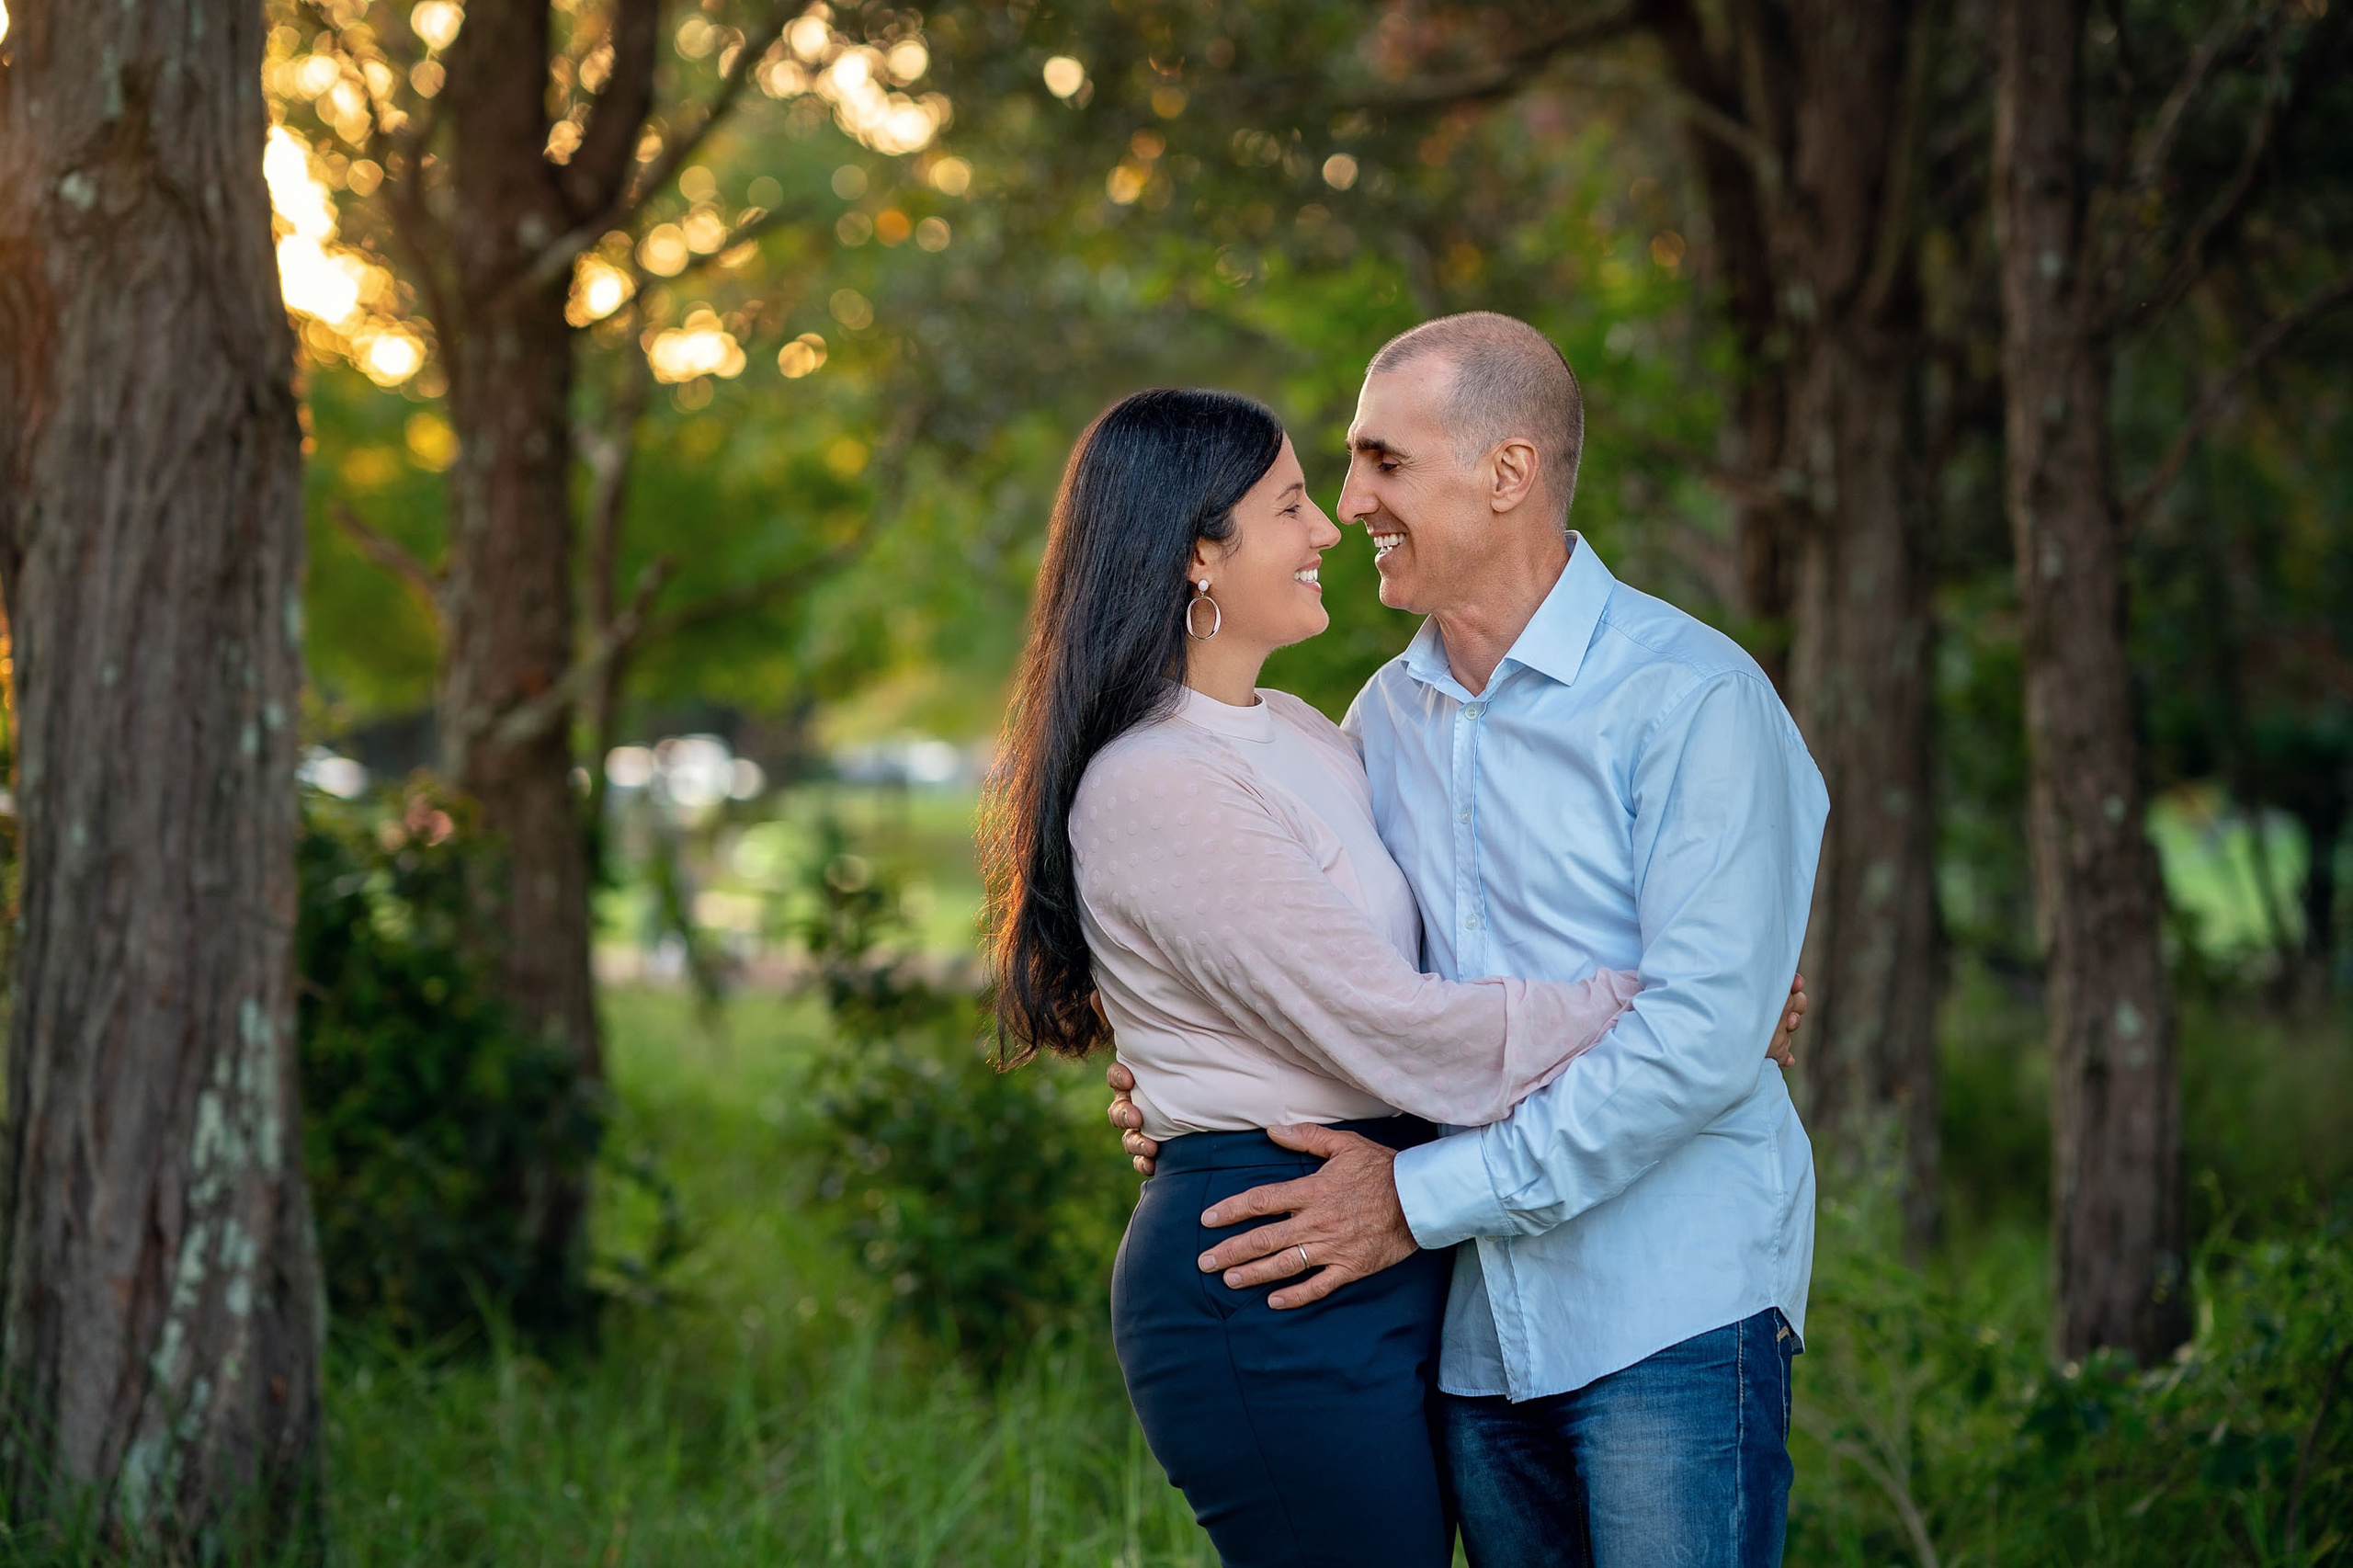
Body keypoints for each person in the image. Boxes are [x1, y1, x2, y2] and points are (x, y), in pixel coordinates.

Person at [983, 384, 1808, 1568]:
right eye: (1297, 500)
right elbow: (1388, 1020)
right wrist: (1680, 1003)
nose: (1337, 517)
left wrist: (1712, 1010)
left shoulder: (1334, 731)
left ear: (1507, 472)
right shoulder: (1256, 753)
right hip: (1305, 1248)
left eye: (1375, 467)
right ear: (1195, 556)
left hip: (1562, 1272)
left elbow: (1340, 983)